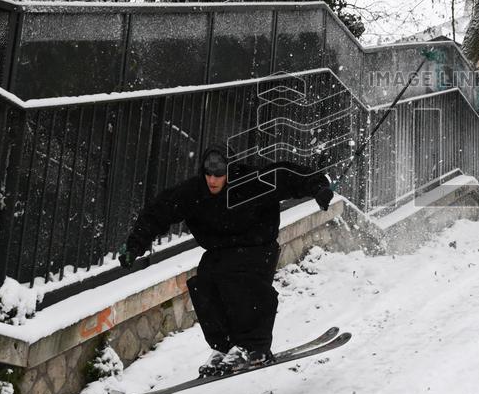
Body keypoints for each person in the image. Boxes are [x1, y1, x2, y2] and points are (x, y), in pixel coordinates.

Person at [120, 144, 335, 376]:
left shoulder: (252, 183)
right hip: (220, 251)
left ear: (229, 172)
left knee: (238, 280)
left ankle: (254, 346)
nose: (213, 180)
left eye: (219, 175)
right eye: (208, 174)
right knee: (204, 282)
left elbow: (288, 175)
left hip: (257, 247)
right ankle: (224, 346)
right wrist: (134, 246)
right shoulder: (194, 192)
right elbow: (157, 213)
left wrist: (320, 188)